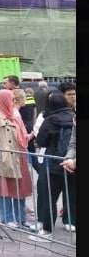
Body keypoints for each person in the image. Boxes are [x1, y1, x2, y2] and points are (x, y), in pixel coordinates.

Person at [0, 89, 33, 229]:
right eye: (11, 99)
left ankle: (21, 219)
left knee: (21, 189)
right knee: (5, 190)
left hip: (19, 156)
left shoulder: (13, 115)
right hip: (5, 159)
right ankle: (7, 219)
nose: (13, 102)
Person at [36, 91, 76, 234]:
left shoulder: (50, 119)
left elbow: (41, 141)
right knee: (71, 192)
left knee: (49, 196)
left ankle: (47, 230)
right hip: (72, 163)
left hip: (53, 163)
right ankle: (71, 222)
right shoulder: (73, 117)